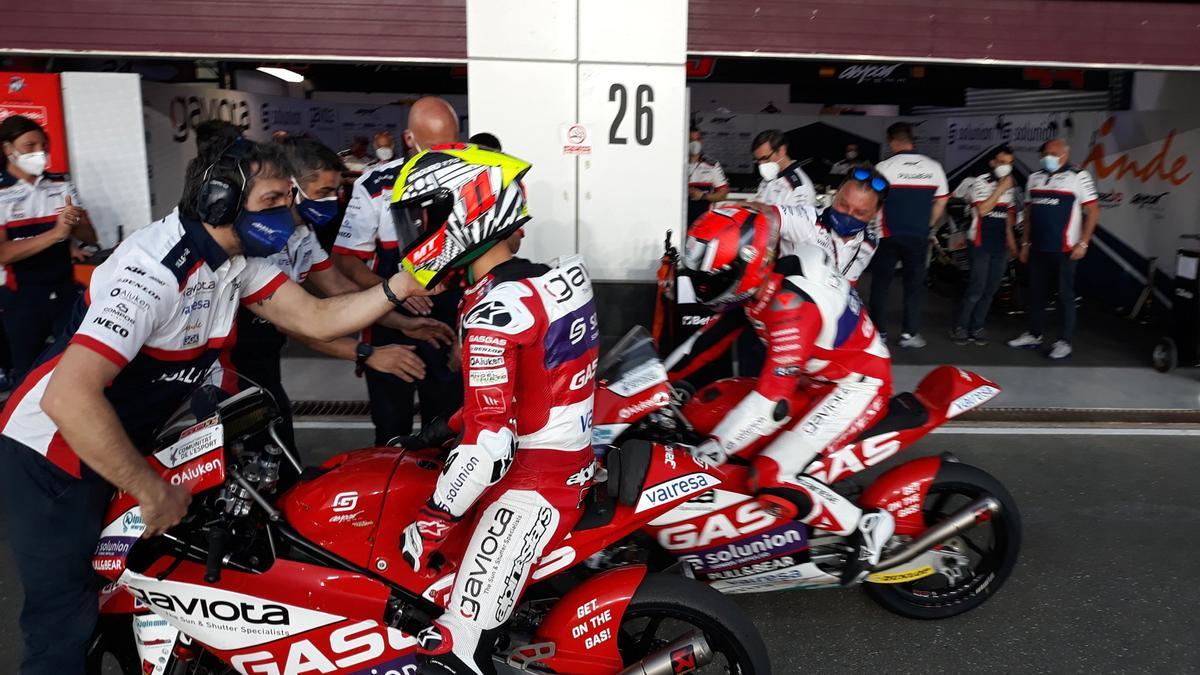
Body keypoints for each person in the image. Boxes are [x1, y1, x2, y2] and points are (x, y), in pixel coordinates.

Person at [0, 139, 436, 673]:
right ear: (218, 202)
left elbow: (316, 319)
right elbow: (69, 396)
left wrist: (403, 282)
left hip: (117, 437)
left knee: (140, 580)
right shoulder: (152, 269)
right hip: (51, 454)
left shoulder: (237, 260)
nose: (289, 214)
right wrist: (149, 488)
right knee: (65, 617)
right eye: (274, 200)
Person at [391, 145, 599, 675]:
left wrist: (435, 517)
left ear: (467, 214)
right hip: (565, 462)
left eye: (425, 215)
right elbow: (523, 396)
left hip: (534, 486)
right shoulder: (548, 280)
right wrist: (439, 429)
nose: (415, 230)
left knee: (450, 651)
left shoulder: (495, 308)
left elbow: (490, 448)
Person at [665, 205, 893, 587]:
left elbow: (772, 402)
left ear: (747, 262)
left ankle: (864, 525)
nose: (705, 284)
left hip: (856, 386)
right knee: (706, 407)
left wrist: (716, 448)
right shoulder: (765, 281)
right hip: (817, 379)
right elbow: (706, 342)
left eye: (715, 275)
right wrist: (657, 380)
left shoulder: (791, 307)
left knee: (768, 473)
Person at [227, 137, 454, 441]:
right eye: (324, 192)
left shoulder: (303, 235)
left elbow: (340, 289)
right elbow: (302, 321)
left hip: (265, 359)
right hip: (232, 366)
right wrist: (366, 353)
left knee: (280, 448)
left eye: (336, 191)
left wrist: (405, 324)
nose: (333, 200)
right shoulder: (260, 243)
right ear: (292, 189)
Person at [334, 96, 463, 445]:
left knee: (448, 433)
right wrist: (392, 291)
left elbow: (482, 269)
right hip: (388, 326)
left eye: (451, 145)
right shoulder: (375, 184)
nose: (443, 156)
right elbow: (346, 261)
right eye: (434, 147)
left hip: (450, 326)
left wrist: (467, 338)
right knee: (392, 432)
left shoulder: (468, 181)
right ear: (410, 139)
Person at [0, 115, 98, 378]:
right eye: (30, 145)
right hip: (22, 298)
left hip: (65, 291)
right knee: (27, 377)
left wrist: (74, 223)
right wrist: (56, 234)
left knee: (81, 370)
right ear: (8, 149)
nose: (39, 152)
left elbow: (91, 238)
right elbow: (3, 253)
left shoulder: (60, 183)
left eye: (43, 145)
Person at [1007, 139, 1099, 359]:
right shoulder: (1034, 178)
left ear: (1064, 155)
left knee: (1064, 295)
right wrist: (1026, 243)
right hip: (1038, 248)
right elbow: (1028, 214)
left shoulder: (1078, 176)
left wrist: (1083, 242)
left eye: (1053, 153)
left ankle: (1064, 341)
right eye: (1045, 153)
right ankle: (1034, 334)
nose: (1047, 156)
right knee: (1036, 294)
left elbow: (1093, 211)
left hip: (1066, 249)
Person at [868, 122, 949, 348]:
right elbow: (942, 199)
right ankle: (909, 334)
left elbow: (872, 200)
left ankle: (878, 334)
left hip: (887, 235)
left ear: (892, 141)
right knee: (914, 286)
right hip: (918, 235)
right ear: (912, 140)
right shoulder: (934, 167)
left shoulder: (884, 167)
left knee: (881, 285)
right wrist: (929, 223)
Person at [950, 146, 1019, 345]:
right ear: (992, 163)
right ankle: (960, 326)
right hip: (980, 242)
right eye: (1001, 162)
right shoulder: (980, 182)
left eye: (1009, 163)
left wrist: (1013, 245)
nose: (1005, 166)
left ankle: (977, 326)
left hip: (1000, 244)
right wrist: (999, 190)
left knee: (991, 289)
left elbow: (1007, 219)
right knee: (976, 289)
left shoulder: (1010, 187)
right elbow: (983, 210)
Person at [772, 166, 888, 284]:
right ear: (836, 194)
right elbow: (769, 213)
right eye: (843, 204)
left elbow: (849, 286)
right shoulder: (808, 219)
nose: (848, 214)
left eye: (860, 212)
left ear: (876, 212)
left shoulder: (870, 243)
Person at [751, 128, 815, 207]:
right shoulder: (768, 177)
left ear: (782, 150)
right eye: (757, 160)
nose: (761, 164)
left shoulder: (799, 186)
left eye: (765, 158)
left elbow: (800, 218)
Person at [687, 126, 729, 224]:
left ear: (702, 141)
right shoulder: (677, 164)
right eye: (691, 140)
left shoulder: (712, 164)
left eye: (698, 139)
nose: (695, 143)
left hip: (704, 220)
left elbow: (723, 194)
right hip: (680, 219)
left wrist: (703, 196)